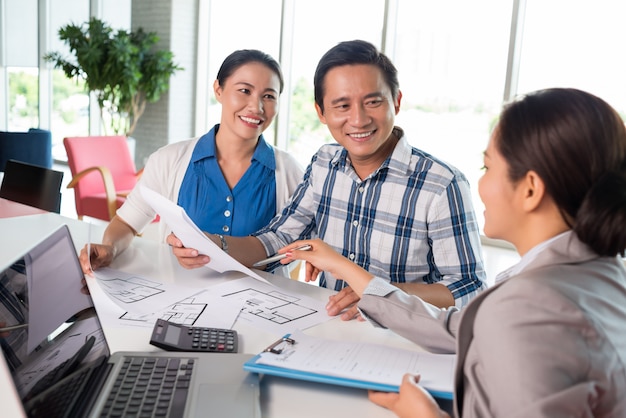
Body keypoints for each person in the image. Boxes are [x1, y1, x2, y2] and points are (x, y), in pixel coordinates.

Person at [280, 88, 626, 417]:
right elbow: (454, 328)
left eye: (487, 168)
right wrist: (345, 267)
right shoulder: (599, 273)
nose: (481, 184)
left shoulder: (532, 308)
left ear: (531, 189)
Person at [168, 40, 486, 317]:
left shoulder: (441, 183)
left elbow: (470, 290)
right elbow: (277, 239)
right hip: (329, 326)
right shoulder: (325, 163)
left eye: (373, 101)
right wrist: (212, 244)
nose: (358, 119)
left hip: (404, 338)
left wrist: (376, 291)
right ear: (321, 112)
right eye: (342, 105)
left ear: (397, 102)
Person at [79, 49, 303, 273]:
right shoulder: (168, 160)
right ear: (218, 89)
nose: (257, 107)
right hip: (178, 298)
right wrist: (109, 248)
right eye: (244, 91)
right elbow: (128, 222)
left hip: (261, 304)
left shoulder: (289, 172)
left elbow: (294, 251)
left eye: (269, 96)